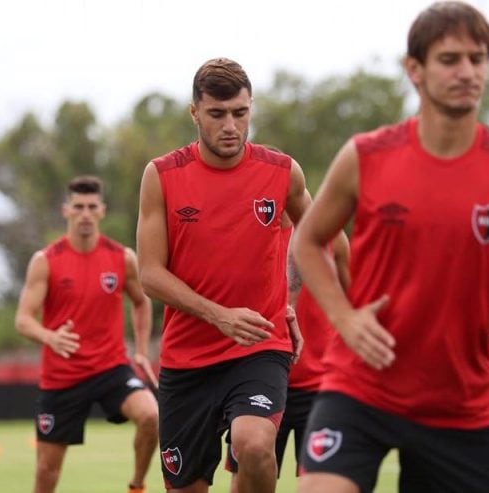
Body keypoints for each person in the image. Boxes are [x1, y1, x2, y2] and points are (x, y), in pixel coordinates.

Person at [291, 3, 489, 492]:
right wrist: (345, 318)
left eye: (478, 59)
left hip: (460, 399)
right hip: (362, 383)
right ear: (414, 69)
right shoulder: (366, 155)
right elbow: (309, 240)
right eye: (450, 59)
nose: (467, 72)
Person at [136, 57, 308, 493]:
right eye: (216, 114)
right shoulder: (162, 175)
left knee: (254, 445)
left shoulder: (282, 172)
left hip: (258, 346)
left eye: (240, 113)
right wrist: (217, 315)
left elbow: (319, 239)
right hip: (186, 360)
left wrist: (290, 298)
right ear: (195, 113)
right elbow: (150, 275)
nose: (230, 125)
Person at [15, 176, 159, 493]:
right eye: (78, 207)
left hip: (111, 368)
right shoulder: (46, 261)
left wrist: (141, 350)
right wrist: (50, 337)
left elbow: (141, 301)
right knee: (45, 473)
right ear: (66, 210)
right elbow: (23, 320)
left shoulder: (122, 258)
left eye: (92, 207)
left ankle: (137, 486)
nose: (85, 214)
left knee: (151, 415)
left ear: (102, 211)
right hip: (62, 376)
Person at [225, 221, 350, 489]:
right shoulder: (249, 233)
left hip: (320, 384)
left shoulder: (333, 237)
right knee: (246, 476)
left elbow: (352, 301)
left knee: (324, 482)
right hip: (258, 376)